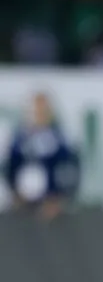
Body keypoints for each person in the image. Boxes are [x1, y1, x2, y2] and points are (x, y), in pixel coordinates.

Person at [3, 92, 80, 220]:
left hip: (52, 210)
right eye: (36, 110)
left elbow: (69, 170)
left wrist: (58, 198)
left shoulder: (60, 140)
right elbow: (10, 167)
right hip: (23, 208)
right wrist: (15, 193)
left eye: (43, 110)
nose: (39, 114)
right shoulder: (20, 139)